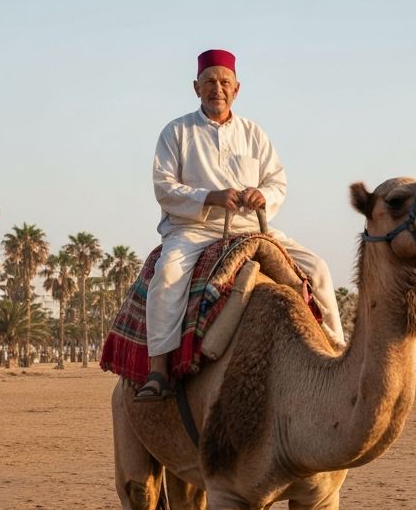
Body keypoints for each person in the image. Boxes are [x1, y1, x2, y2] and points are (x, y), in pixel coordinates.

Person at [138, 48, 345, 400]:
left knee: (318, 268)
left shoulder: (255, 134)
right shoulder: (176, 133)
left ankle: (336, 354)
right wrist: (210, 197)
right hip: (194, 231)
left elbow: (277, 182)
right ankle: (158, 372)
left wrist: (262, 195)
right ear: (195, 87)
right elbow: (164, 187)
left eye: (224, 82)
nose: (216, 88)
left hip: (252, 228)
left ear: (237, 89)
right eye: (209, 82)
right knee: (167, 276)